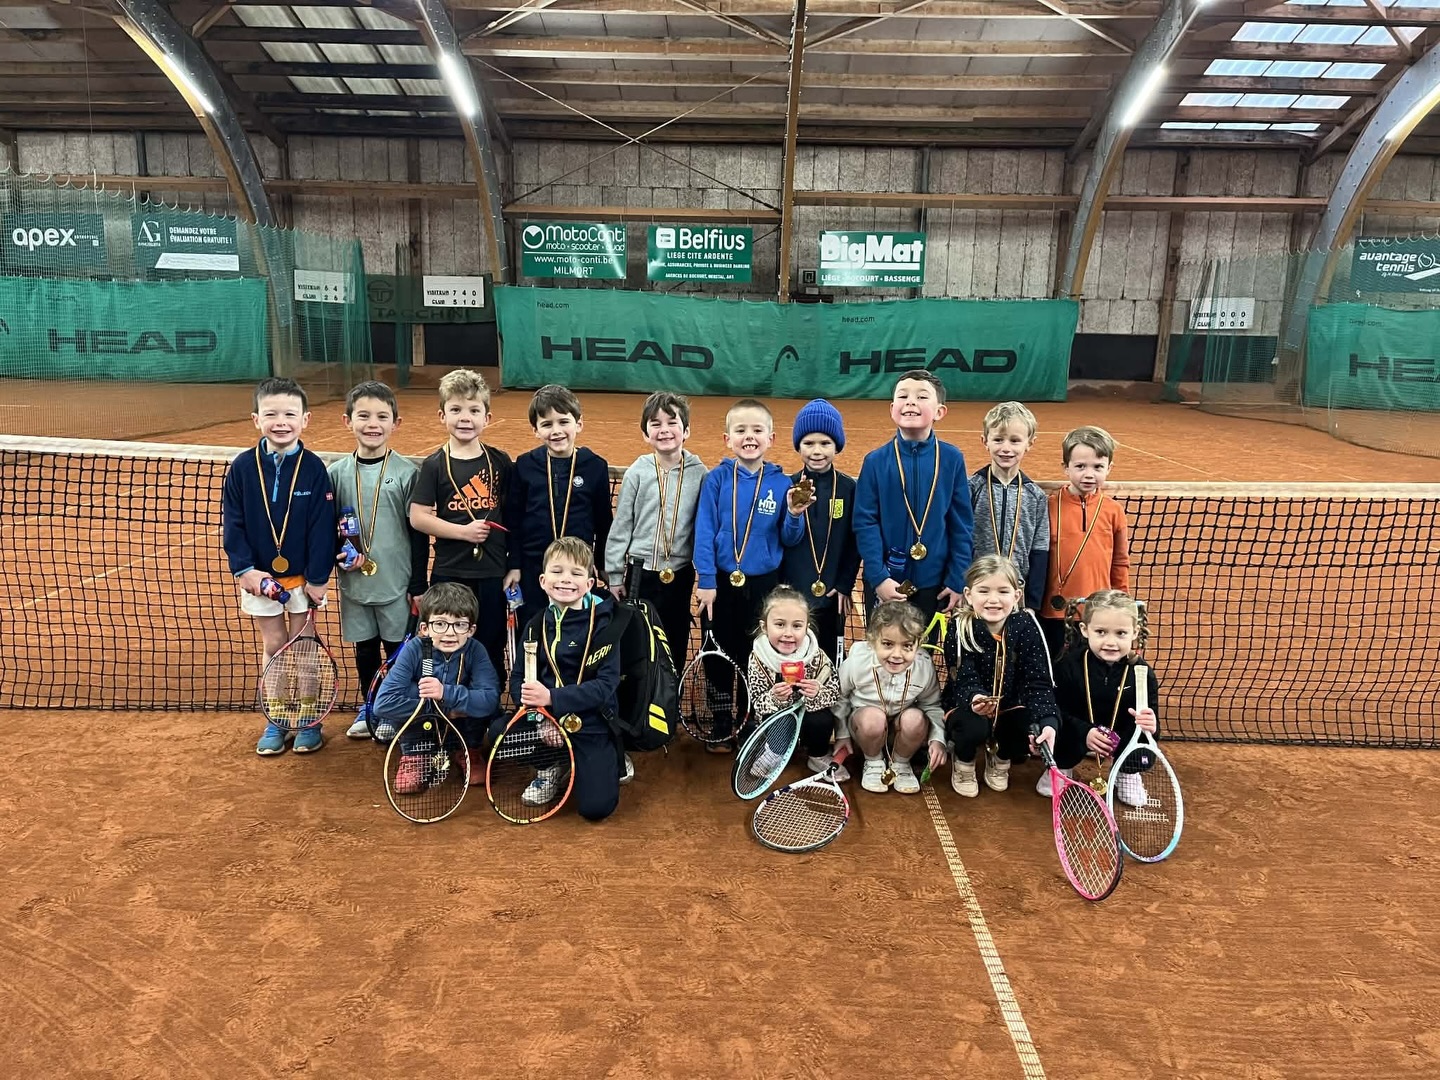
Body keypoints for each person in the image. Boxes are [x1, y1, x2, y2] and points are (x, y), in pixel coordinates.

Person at [221, 377, 336, 757]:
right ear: (256, 419)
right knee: (273, 644)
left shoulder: (315, 468)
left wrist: (319, 579)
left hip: (303, 580)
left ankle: (308, 718)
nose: (281, 421)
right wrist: (245, 571)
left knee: (303, 646)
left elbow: (323, 527)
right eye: (271, 414)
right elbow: (233, 523)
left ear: (306, 419)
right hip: (260, 579)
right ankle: (276, 717)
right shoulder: (241, 468)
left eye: (290, 413)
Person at [693, 398, 809, 750]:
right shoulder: (715, 480)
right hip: (721, 586)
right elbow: (704, 532)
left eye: (757, 430)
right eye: (740, 430)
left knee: (755, 654)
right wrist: (707, 582)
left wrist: (793, 513)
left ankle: (749, 719)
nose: (749, 437)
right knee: (717, 654)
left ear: (771, 438)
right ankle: (722, 720)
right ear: (727, 438)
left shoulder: (781, 483)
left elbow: (790, 538)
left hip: (763, 586)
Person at [326, 380, 429, 739]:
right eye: (364, 415)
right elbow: (330, 530)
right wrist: (338, 558)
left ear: (395, 424)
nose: (373, 423)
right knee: (365, 647)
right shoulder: (336, 473)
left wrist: (418, 585)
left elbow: (418, 534)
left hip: (396, 585)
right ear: (347, 421)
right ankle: (368, 707)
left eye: (382, 416)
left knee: (396, 651)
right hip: (354, 584)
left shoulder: (405, 473)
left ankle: (392, 709)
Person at [510, 537, 625, 822]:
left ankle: (607, 757)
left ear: (589, 584)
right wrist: (541, 717)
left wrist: (552, 699)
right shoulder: (535, 624)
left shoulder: (606, 624)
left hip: (592, 721)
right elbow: (518, 680)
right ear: (543, 580)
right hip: (546, 721)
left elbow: (605, 686)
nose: (565, 580)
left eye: (576, 573)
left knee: (595, 809)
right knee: (500, 734)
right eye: (557, 571)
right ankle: (550, 766)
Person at [409, 369, 513, 683]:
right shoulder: (434, 464)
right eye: (455, 410)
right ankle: (448, 704)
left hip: (492, 572)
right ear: (442, 415)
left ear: (488, 417)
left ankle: (487, 705)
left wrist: (514, 565)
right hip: (449, 571)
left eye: (473, 410)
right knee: (446, 644)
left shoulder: (500, 462)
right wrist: (464, 532)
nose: (464, 418)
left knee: (490, 643)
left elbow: (512, 514)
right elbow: (418, 516)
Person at [853, 371, 973, 623]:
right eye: (903, 396)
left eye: (921, 396)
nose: (910, 402)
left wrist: (956, 578)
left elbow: (961, 525)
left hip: (935, 583)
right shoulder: (875, 462)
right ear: (892, 408)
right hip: (886, 582)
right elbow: (865, 523)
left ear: (940, 411)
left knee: (924, 656)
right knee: (883, 653)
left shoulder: (952, 459)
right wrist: (878, 576)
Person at [605, 390, 708, 669]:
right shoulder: (637, 472)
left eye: (672, 422)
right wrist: (615, 575)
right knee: (638, 638)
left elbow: (707, 525)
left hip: (681, 574)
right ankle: (640, 700)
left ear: (686, 430)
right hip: (641, 573)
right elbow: (622, 524)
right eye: (655, 423)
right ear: (645, 434)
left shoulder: (700, 473)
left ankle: (669, 700)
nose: (664, 430)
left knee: (674, 638)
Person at [942, 555, 1060, 797]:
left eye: (1003, 591)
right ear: (968, 594)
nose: (993, 600)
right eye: (983, 591)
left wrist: (1048, 721)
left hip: (1009, 706)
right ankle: (964, 761)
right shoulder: (959, 627)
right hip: (967, 705)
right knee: (972, 726)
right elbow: (962, 676)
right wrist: (975, 699)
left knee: (1029, 720)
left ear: (1016, 596)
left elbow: (1038, 681)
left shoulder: (1027, 627)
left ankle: (1001, 756)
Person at [504, 384, 612, 634]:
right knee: (533, 628)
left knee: (578, 629)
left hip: (577, 568)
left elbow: (603, 521)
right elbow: (514, 519)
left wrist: (601, 564)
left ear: (579, 424)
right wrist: (515, 565)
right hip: (534, 568)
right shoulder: (525, 465)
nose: (557, 431)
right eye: (547, 424)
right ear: (535, 429)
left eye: (564, 422)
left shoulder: (595, 466)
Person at [1038, 588, 1159, 807]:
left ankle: (1127, 772)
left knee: (1141, 735)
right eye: (1101, 632)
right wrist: (1085, 733)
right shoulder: (1068, 666)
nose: (1110, 642)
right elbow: (1057, 710)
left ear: (1134, 632)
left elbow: (1152, 725)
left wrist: (1151, 724)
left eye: (1120, 633)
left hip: (1119, 734)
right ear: (1085, 630)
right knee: (1053, 722)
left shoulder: (1142, 673)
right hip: (1078, 730)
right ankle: (1061, 765)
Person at [373, 582, 501, 788]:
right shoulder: (413, 649)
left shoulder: (476, 651)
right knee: (412, 691)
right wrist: (442, 708)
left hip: (462, 726)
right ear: (424, 628)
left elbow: (490, 700)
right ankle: (415, 754)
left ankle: (469, 750)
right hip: (423, 726)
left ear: (471, 630)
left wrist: (446, 693)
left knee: (479, 699)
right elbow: (383, 704)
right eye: (440, 624)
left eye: (460, 624)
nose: (450, 633)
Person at [833, 600, 948, 795]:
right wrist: (842, 734)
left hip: (900, 731)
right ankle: (873, 761)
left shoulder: (924, 665)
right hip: (865, 728)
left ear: (918, 644)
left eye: (907, 646)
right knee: (872, 719)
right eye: (887, 644)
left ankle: (901, 763)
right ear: (872, 641)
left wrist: (938, 739)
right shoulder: (856, 663)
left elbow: (932, 706)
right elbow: (840, 698)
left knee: (916, 719)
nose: (897, 654)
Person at [1039, 425, 1130, 660]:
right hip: (1052, 613)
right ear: (1066, 467)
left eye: (1098, 467)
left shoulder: (1114, 511)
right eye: (1080, 466)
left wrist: (1123, 605)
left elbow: (1120, 563)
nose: (1089, 474)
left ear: (1109, 468)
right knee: (1054, 674)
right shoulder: (1047, 505)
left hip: (1097, 615)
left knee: (1090, 673)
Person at [779, 399, 860, 664]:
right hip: (794, 594)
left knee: (829, 657)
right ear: (798, 446)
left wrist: (845, 584)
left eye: (825, 443)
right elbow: (781, 540)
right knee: (793, 654)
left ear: (836, 445)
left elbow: (854, 541)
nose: (817, 451)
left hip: (832, 595)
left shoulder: (849, 488)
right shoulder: (786, 486)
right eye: (809, 443)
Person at [743, 586, 845, 780]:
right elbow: (757, 702)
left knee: (822, 719)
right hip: (778, 717)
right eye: (780, 625)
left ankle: (817, 755)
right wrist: (775, 697)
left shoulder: (816, 655)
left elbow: (834, 693)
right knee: (779, 720)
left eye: (797, 626)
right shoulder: (758, 658)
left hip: (808, 715)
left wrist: (818, 693)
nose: (788, 633)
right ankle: (774, 752)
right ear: (765, 627)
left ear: (807, 627)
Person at [969, 401, 1050, 613]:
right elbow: (960, 540)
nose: (1006, 448)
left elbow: (1040, 549)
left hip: (1015, 594)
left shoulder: (1036, 496)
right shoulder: (971, 488)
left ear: (1029, 443)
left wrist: (1032, 602)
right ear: (985, 441)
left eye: (1015, 441)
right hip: (977, 591)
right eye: (998, 439)